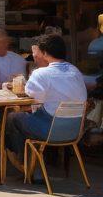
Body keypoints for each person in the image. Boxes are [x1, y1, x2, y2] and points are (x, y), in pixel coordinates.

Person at [5, 33, 88, 168]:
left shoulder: (41, 73)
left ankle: (25, 163)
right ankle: (36, 164)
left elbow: (33, 96)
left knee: (14, 117)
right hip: (74, 131)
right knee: (31, 117)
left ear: (44, 53)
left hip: (50, 130)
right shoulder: (76, 72)